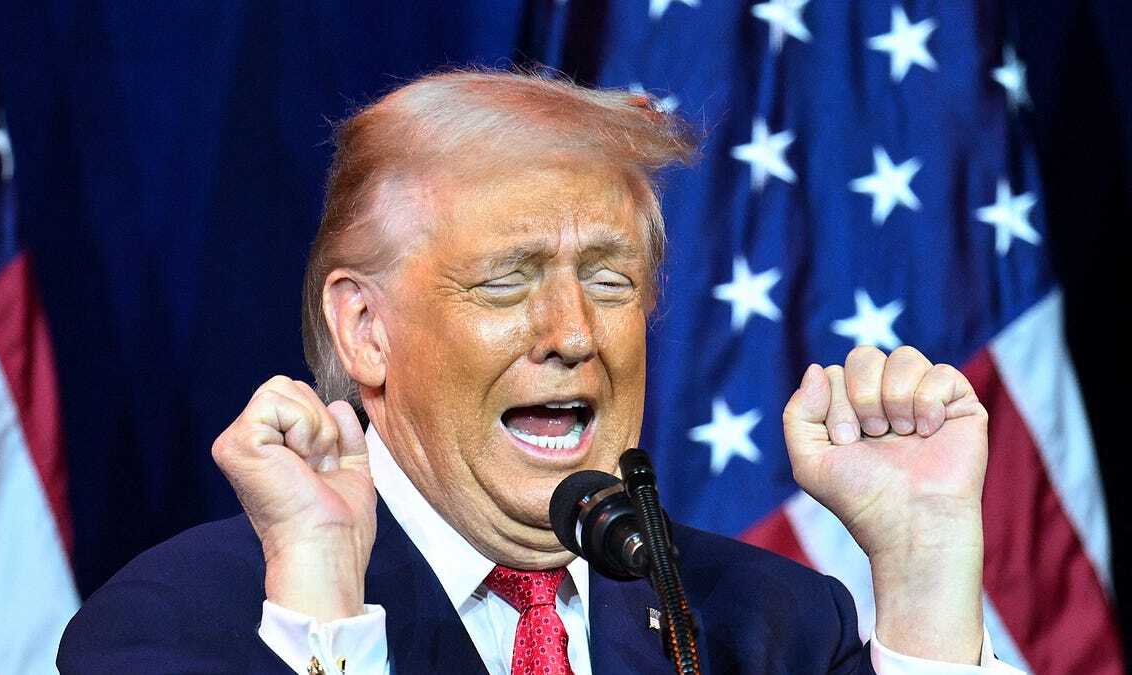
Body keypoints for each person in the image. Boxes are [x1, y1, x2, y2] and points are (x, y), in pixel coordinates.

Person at [58, 70, 1023, 674]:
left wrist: (926, 568)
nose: (571, 333)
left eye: (609, 280)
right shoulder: (182, 623)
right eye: (505, 281)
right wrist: (327, 620)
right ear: (365, 329)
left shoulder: (771, 627)